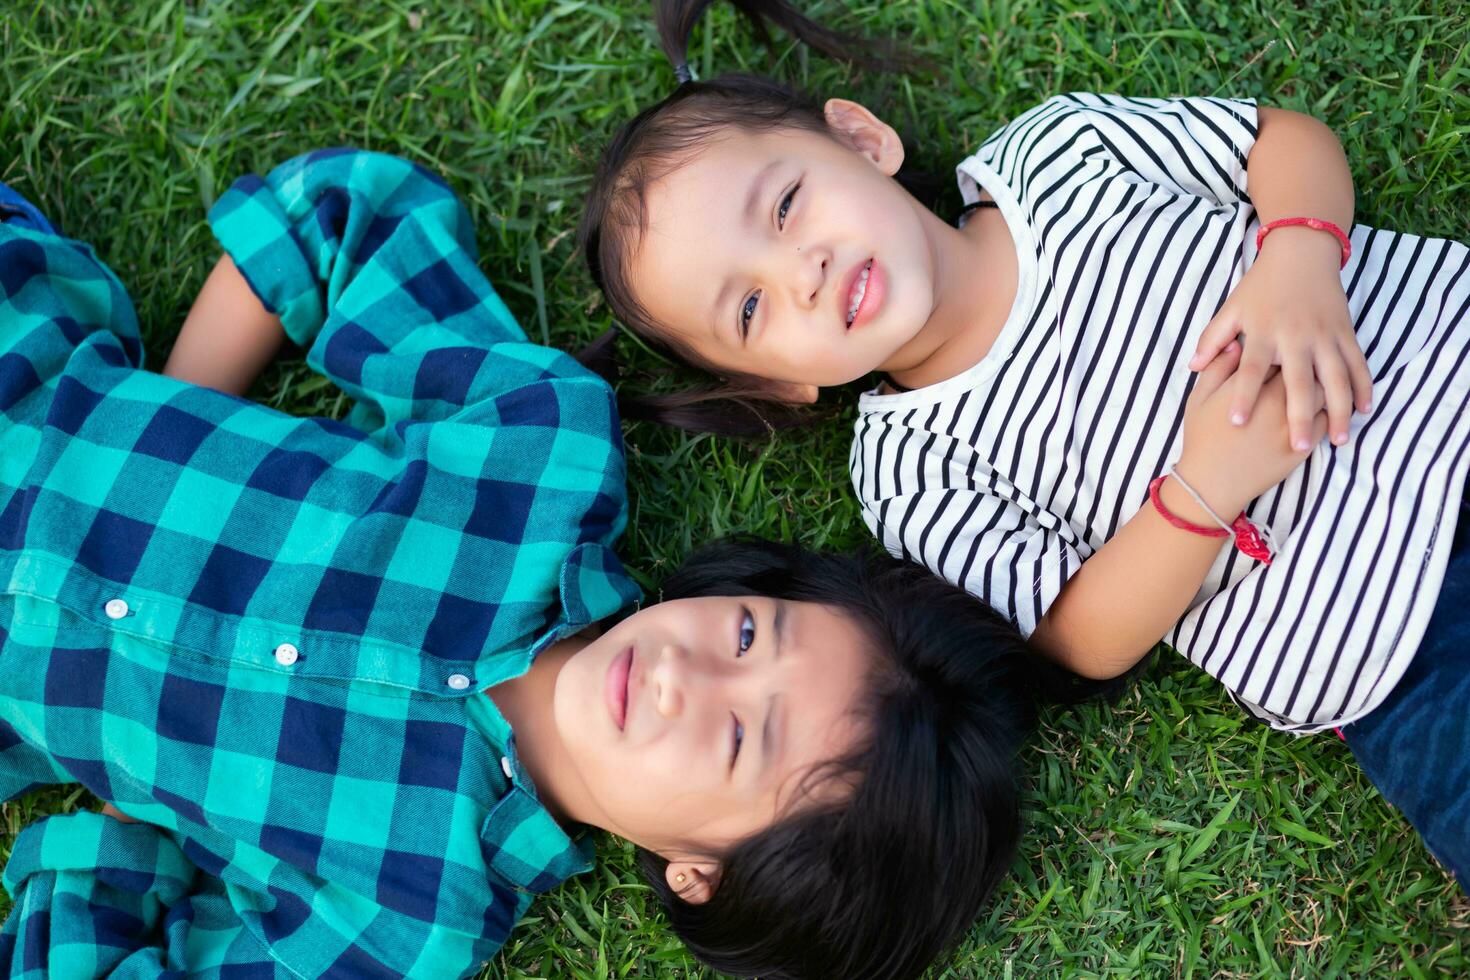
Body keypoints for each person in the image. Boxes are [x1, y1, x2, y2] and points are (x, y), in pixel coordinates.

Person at [0, 152, 1079, 978]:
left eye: (743, 736)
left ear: (702, 873)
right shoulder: (539, 460)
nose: (683, 672)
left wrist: (134, 789)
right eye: (752, 631)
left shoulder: (415, 917)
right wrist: (188, 410)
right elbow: (352, 219)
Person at [577, 0, 1470, 886]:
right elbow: (1080, 632)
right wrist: (1204, 489)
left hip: (1445, 365)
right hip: (1397, 644)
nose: (798, 271)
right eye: (748, 308)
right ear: (777, 383)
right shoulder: (908, 478)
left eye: (783, 206)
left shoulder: (1055, 157)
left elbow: (1280, 144)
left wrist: (1298, 260)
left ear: (859, 140)